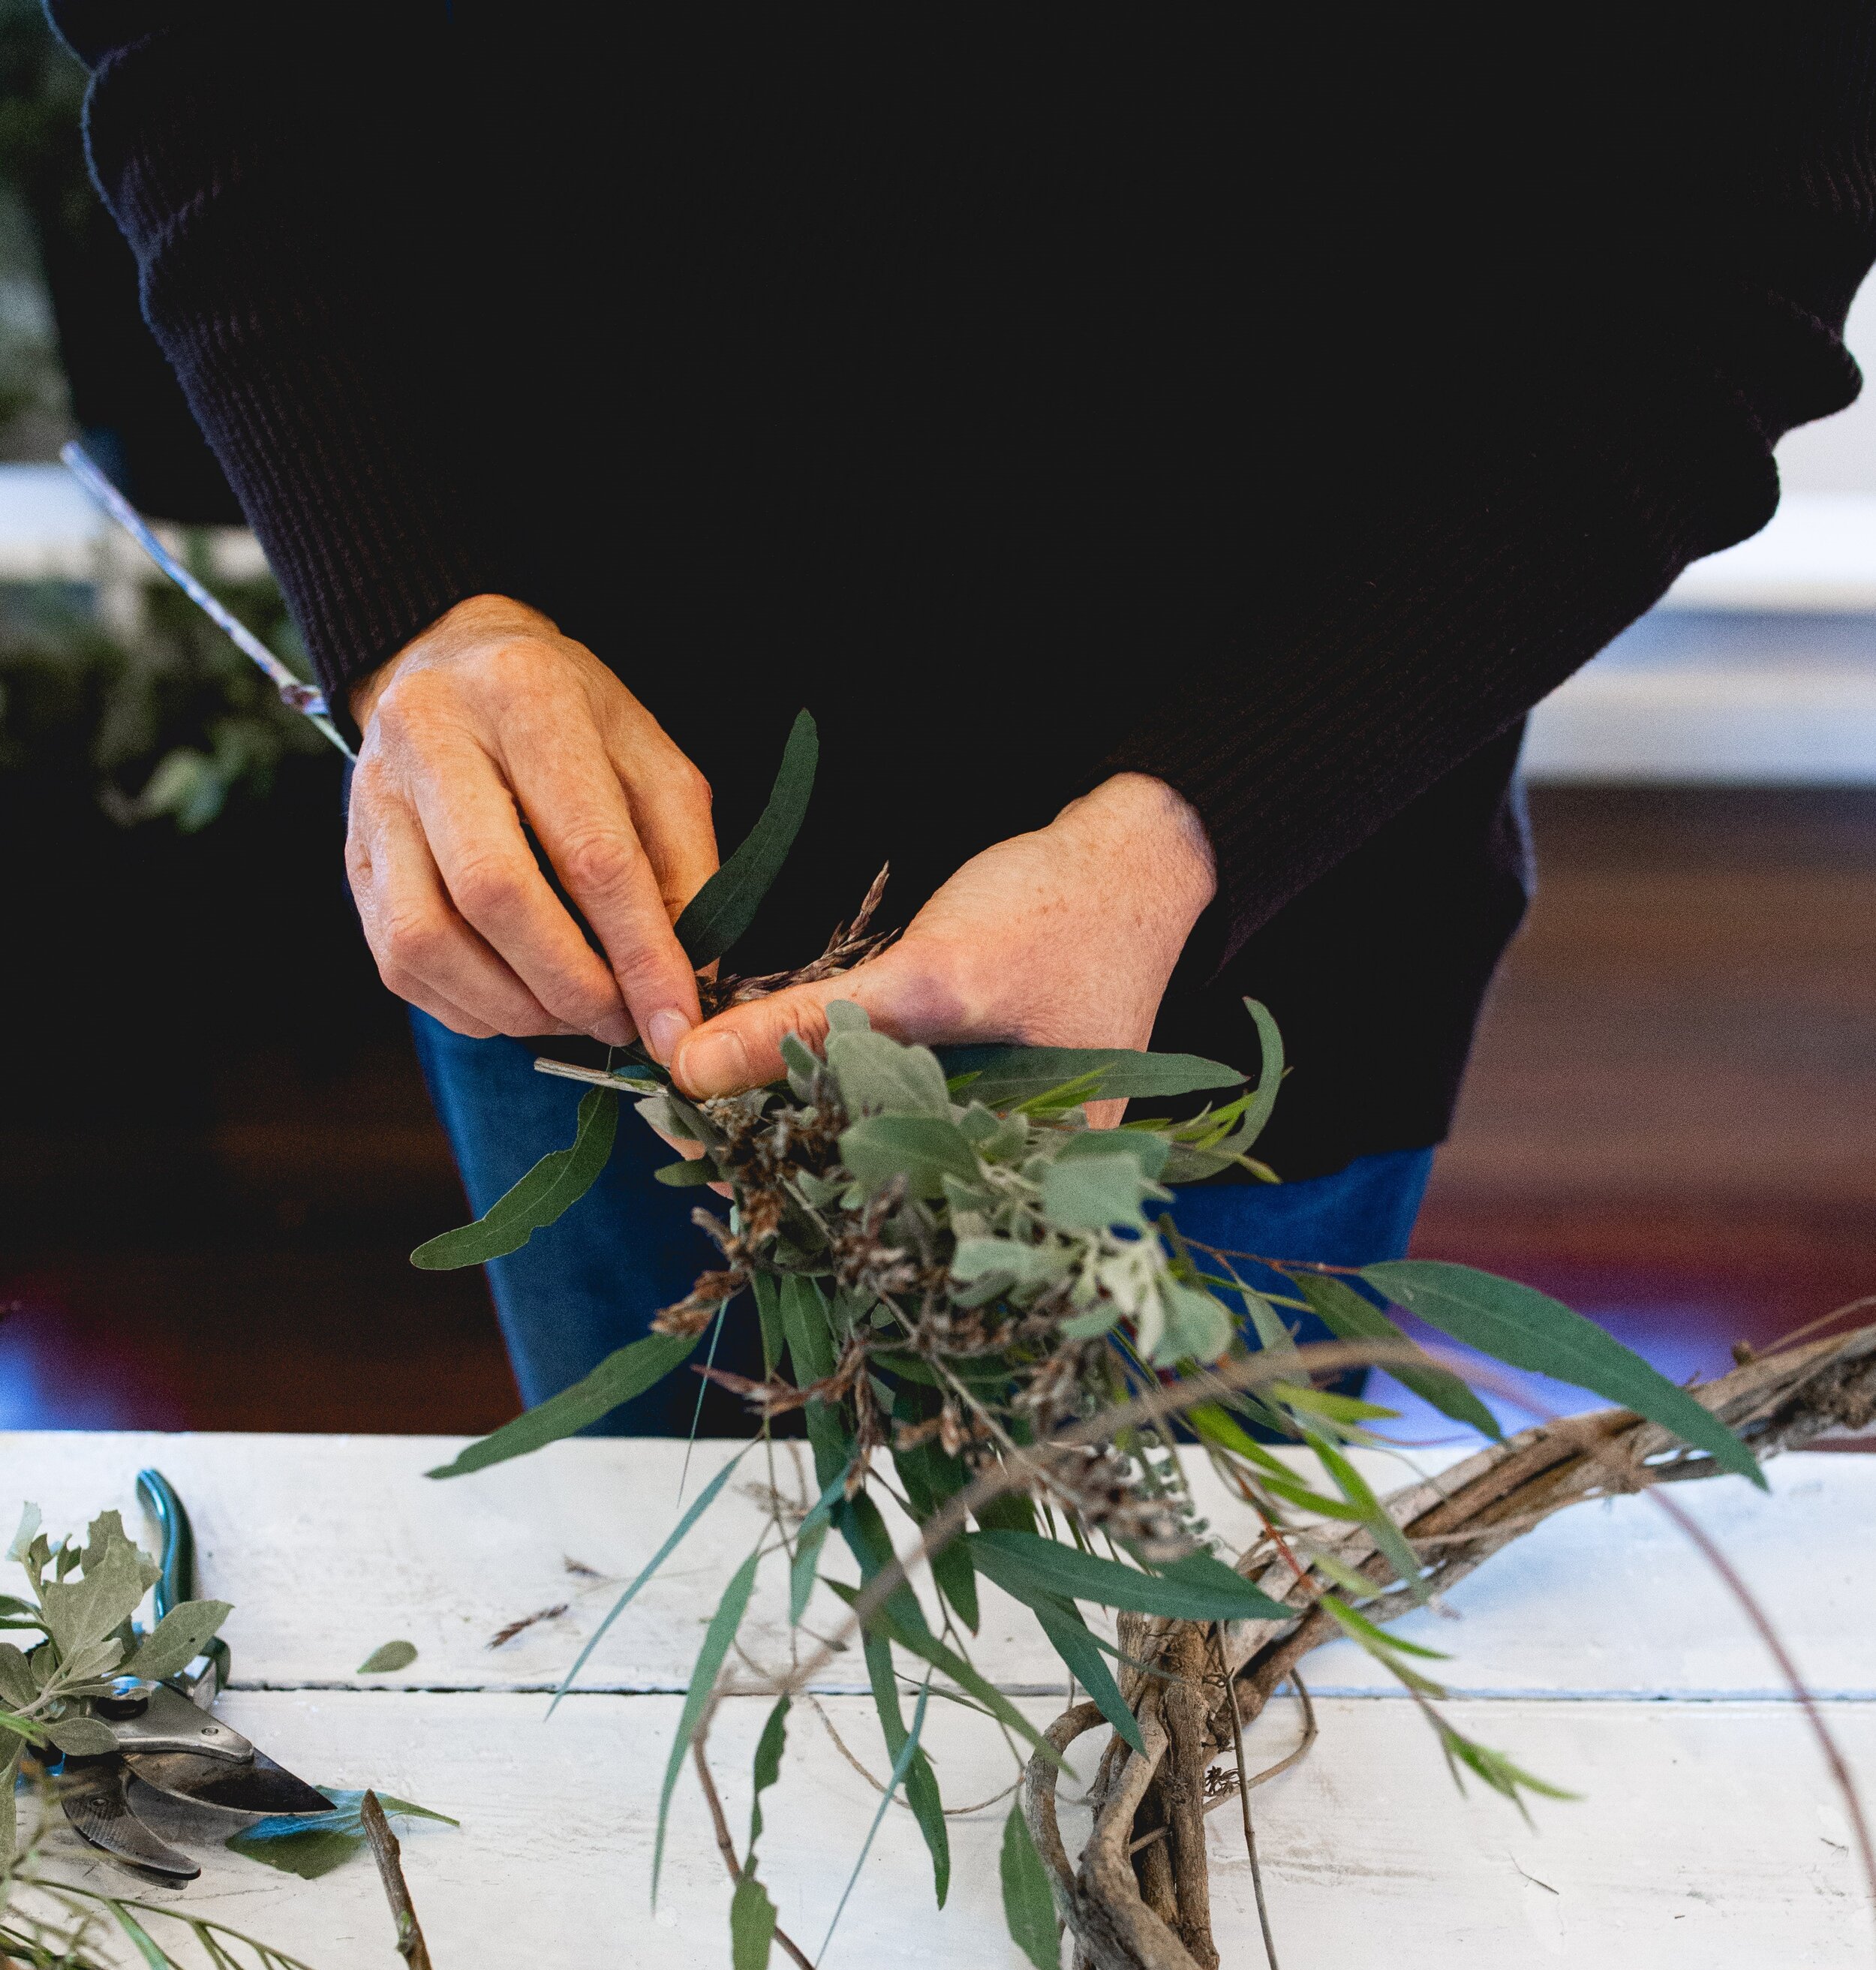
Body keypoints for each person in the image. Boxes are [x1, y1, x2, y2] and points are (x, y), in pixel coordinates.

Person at [48, 7, 1876, 1429]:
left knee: (1161, 1673)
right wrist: (416, 614)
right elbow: (207, 48)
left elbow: (1732, 263)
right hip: (609, 896)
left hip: (1254, 947)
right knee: (675, 1608)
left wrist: (1201, 829)